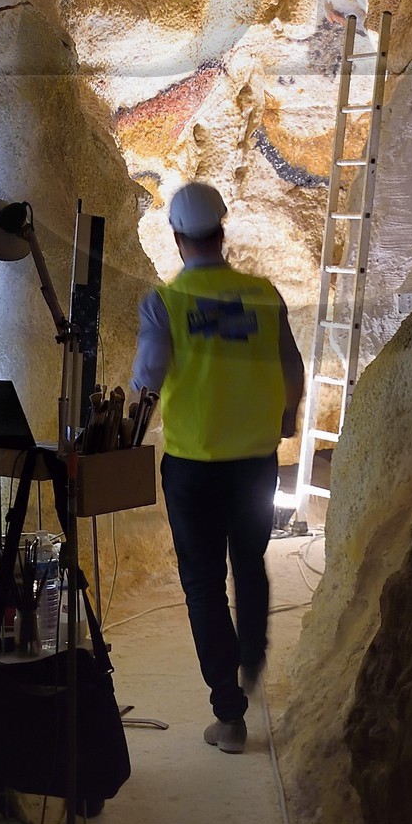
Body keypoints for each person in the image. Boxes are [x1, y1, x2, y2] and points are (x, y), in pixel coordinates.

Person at [131, 180, 305, 752]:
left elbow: (148, 378)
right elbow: (291, 365)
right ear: (221, 233)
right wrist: (286, 418)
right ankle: (252, 661)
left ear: (179, 240)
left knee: (203, 586)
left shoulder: (165, 302)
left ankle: (228, 715)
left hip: (193, 470)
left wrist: (126, 428)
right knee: (249, 565)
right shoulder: (263, 293)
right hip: (254, 465)